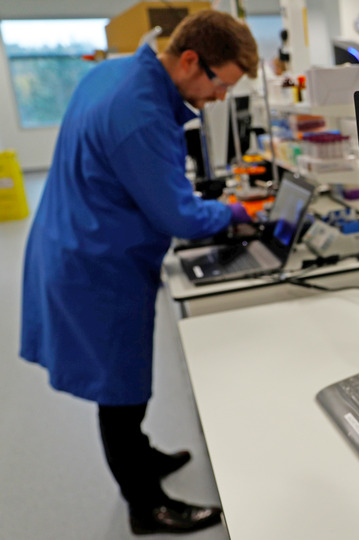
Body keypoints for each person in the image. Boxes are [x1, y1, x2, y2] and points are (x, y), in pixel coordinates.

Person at [19, 10, 258, 536]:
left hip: (77, 235)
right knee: (120, 389)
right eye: (220, 84)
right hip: (96, 263)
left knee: (127, 379)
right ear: (190, 60)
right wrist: (234, 212)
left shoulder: (119, 70)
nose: (219, 98)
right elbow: (179, 217)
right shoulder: (143, 113)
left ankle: (142, 455)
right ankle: (145, 505)